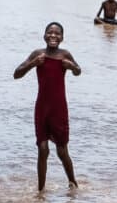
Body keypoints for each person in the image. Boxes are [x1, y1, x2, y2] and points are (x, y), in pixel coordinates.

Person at [13, 22, 81, 191]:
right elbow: (17, 74)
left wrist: (72, 67)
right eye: (50, 32)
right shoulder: (38, 54)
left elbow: (78, 70)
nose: (53, 36)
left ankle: (73, 183)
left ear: (62, 38)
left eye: (57, 33)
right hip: (42, 107)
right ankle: (41, 190)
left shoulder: (65, 54)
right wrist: (33, 63)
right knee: (42, 149)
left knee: (62, 150)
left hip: (59, 109)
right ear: (44, 36)